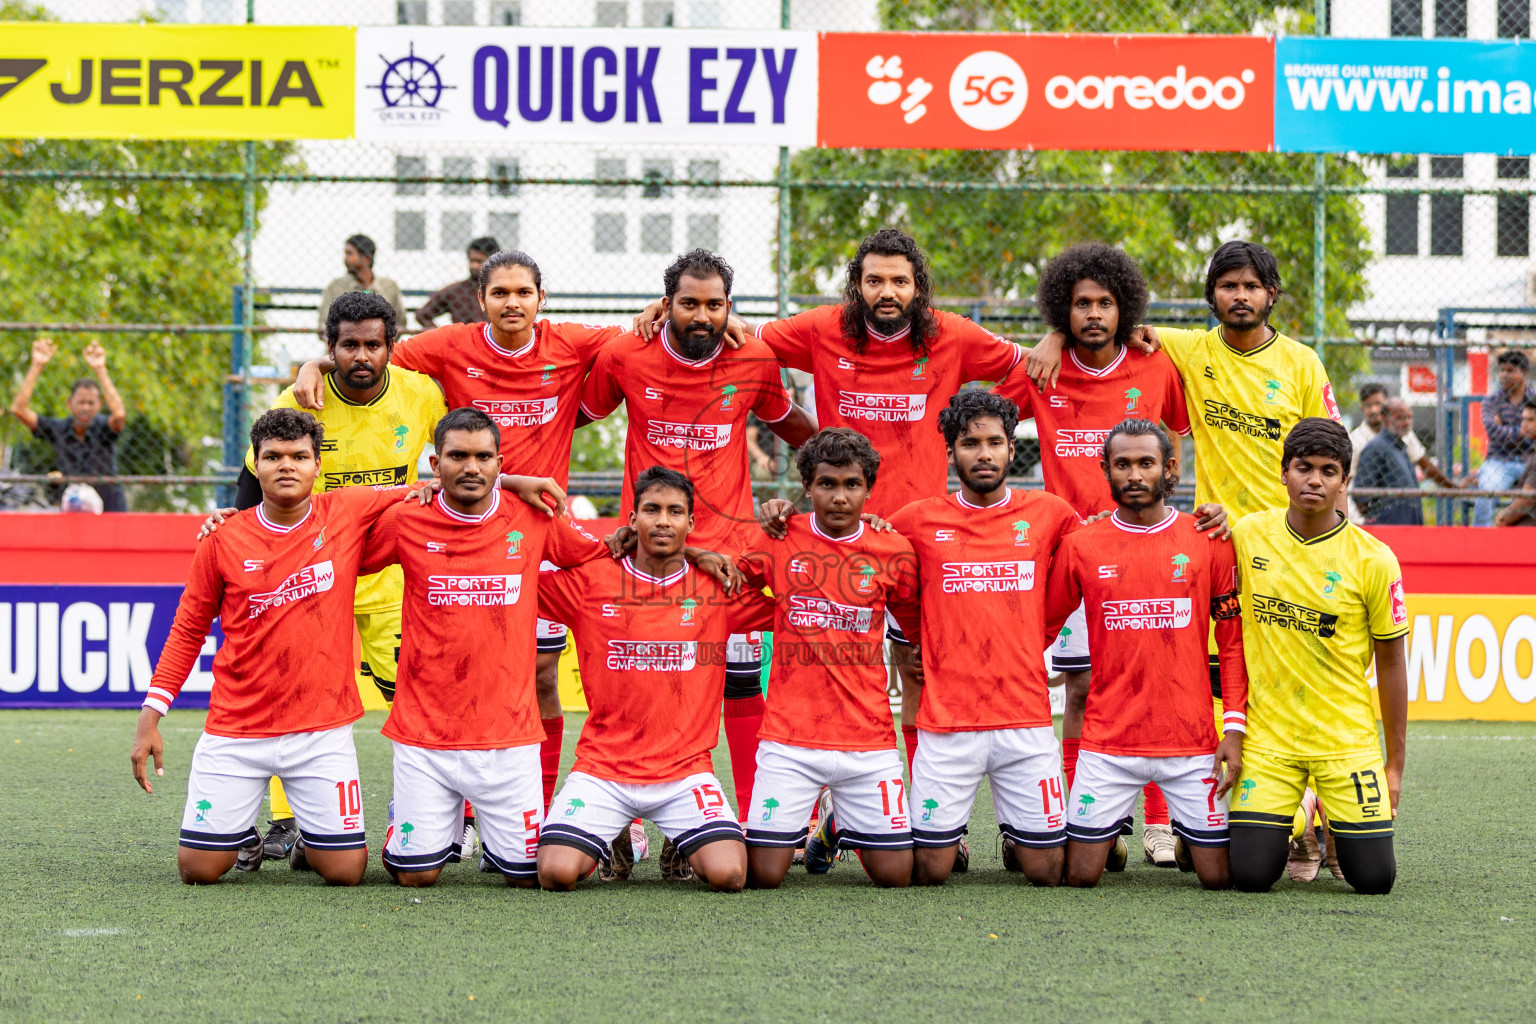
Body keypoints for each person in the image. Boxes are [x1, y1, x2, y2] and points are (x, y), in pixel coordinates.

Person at [634, 230, 1028, 774]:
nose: (886, 291)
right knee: (829, 668)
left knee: (920, 671)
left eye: (899, 281)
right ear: (857, 285)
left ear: (919, 287)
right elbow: (745, 331)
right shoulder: (823, 328)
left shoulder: (952, 335)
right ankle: (819, 801)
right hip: (839, 530)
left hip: (923, 534)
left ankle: (928, 810)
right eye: (874, 280)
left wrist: (1036, 360)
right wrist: (669, 309)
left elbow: (1024, 366)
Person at [291, 250, 624, 819]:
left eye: (523, 292)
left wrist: (652, 313)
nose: (512, 302)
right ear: (482, 299)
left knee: (549, 675)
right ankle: (458, 815)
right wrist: (313, 367)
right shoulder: (450, 345)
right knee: (464, 670)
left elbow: (634, 343)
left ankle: (549, 811)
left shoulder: (571, 342)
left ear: (542, 299)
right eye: (500, 293)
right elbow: (371, 355)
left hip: (539, 530)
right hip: (461, 531)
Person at [578, 249, 817, 834]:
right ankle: (625, 825)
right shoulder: (626, 354)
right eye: (690, 303)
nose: (703, 315)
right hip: (646, 553)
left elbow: (802, 432)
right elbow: (571, 415)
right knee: (640, 683)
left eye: (715, 304)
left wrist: (828, 484)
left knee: (736, 684)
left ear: (729, 307)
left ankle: (749, 819)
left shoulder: (753, 357)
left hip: (729, 558)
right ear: (667, 305)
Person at [129, 409, 411, 886]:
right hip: (237, 729)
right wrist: (150, 717)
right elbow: (187, 630)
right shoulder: (222, 538)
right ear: (255, 465)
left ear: (317, 466)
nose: (287, 465)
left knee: (345, 873)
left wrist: (513, 482)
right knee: (198, 871)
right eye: (273, 456)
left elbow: (441, 488)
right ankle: (241, 834)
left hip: (320, 732)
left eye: (300, 456)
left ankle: (311, 841)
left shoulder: (345, 511)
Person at [992, 242, 1194, 867]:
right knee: (1078, 685)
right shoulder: (1043, 368)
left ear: (1124, 306)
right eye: (1080, 304)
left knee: (1154, 682)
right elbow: (985, 423)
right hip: (1072, 556)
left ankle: (1159, 822)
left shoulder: (1155, 366)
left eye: (1105, 302)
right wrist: (1043, 344)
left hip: (1146, 550)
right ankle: (1089, 815)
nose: (1094, 314)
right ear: (1064, 310)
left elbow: (1179, 442)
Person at [230, 291, 446, 868]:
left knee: (413, 696)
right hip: (309, 577)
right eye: (348, 344)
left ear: (389, 348)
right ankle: (286, 821)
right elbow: (253, 484)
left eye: (372, 344)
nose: (361, 355)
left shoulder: (419, 395)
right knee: (294, 691)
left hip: (391, 575)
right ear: (331, 349)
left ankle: (424, 814)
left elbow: (463, 450)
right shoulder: (300, 399)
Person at [360, 408, 614, 888]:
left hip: (509, 735)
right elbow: (334, 550)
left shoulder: (534, 517)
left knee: (527, 876)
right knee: (417, 877)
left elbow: (604, 557)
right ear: (436, 464)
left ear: (501, 463)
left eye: (482, 457)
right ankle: (411, 820)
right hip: (424, 733)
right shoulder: (408, 519)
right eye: (458, 456)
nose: (471, 467)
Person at [535, 466, 773, 892]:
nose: (663, 520)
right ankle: (615, 836)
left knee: (730, 875)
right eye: (652, 510)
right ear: (632, 520)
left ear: (691, 523)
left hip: (685, 771)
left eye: (675, 512)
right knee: (556, 873)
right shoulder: (592, 580)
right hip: (603, 768)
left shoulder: (717, 586)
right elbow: (510, 573)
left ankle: (680, 840)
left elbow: (792, 594)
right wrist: (508, 484)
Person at [884, 392, 1080, 887]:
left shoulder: (1051, 514)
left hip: (1025, 718)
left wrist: (1040, 633)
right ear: (951, 453)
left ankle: (1020, 838)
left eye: (995, 442)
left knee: (1050, 873)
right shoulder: (915, 520)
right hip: (949, 723)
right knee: (929, 872)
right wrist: (918, 638)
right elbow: (885, 571)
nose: (984, 453)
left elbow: (1086, 562)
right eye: (970, 443)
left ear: (1014, 450)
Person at [1045, 420, 1248, 889]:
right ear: (1106, 470)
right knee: (1078, 877)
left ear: (1169, 467)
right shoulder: (1082, 546)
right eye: (1122, 464)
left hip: (1191, 744)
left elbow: (1233, 646)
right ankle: (1105, 835)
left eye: (1145, 463)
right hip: (1107, 746)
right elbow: (1038, 628)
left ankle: (1187, 837)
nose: (1134, 474)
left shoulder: (1208, 540)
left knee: (1219, 879)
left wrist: (1233, 728)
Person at [1227, 419, 1409, 895]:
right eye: (1303, 468)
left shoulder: (1375, 559)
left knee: (1374, 880)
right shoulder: (1247, 537)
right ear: (1282, 472)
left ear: (1344, 481)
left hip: (1345, 738)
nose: (1315, 480)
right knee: (1248, 875)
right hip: (1270, 739)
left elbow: (1392, 663)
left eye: (1329, 471)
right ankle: (1304, 812)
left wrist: (1394, 766)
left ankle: (1320, 816)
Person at [736, 428, 920, 889]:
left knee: (897, 877)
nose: (839, 497)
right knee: (762, 876)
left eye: (851, 485)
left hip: (868, 738)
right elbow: (727, 584)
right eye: (827, 484)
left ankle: (834, 827)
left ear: (868, 489)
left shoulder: (892, 549)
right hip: (789, 738)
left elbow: (914, 622)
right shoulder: (780, 537)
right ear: (807, 487)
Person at [9, 338, 129, 512]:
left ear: (99, 405)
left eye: (91, 403)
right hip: (73, 509)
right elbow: (19, 409)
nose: (85, 407)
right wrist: (37, 365)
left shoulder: (104, 427)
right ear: (69, 404)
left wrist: (100, 369)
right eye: (81, 402)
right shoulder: (58, 429)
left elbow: (119, 414)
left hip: (110, 507)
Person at [1348, 383, 1452, 523]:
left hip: (1405, 516)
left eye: (1378, 404)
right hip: (1363, 520)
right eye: (1368, 405)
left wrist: (1454, 489)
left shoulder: (1403, 439)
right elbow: (1349, 484)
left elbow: (1425, 464)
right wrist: (1372, 519)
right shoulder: (1356, 440)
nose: (1373, 409)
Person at [1470, 350, 1536, 526]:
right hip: (1499, 461)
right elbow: (1493, 433)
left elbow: (1503, 434)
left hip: (1530, 460)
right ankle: (1481, 540)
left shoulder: (1533, 398)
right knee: (1485, 494)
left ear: (1524, 372)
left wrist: (1505, 429)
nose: (1504, 375)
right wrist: (1525, 431)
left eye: (1510, 370)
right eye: (1502, 370)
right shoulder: (1491, 401)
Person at [317, 234, 406, 335]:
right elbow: (323, 324)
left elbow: (400, 323)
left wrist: (383, 343)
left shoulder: (389, 287)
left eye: (349, 254)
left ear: (366, 258)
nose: (345, 259)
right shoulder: (336, 286)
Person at [1354, 398, 1424, 525]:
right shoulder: (1376, 448)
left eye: (1409, 417)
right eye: (1401, 418)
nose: (1407, 422)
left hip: (1409, 526)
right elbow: (1361, 495)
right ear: (1385, 419)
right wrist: (1379, 519)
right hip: (1388, 528)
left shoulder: (1400, 447)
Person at [416, 236, 498, 329]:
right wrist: (444, 337)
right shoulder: (456, 291)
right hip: (463, 342)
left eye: (479, 261)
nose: (473, 266)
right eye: (471, 261)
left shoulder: (504, 290)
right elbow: (422, 315)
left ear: (493, 262)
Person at [1494, 399, 1536, 526]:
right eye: (1523, 419)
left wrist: (1503, 518)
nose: (1523, 425)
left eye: (1530, 420)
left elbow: (1528, 499)